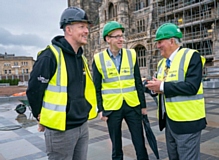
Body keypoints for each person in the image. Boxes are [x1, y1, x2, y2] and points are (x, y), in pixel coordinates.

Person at [26, 7, 97, 160]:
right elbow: (33, 90)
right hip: (60, 130)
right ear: (68, 29)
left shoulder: (81, 58)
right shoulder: (50, 56)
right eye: (82, 26)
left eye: (87, 27)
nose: (87, 31)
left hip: (82, 125)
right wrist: (41, 117)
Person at [146, 23, 207, 160]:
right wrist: (152, 87)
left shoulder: (191, 56)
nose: (157, 46)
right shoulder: (162, 63)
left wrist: (161, 86)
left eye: (160, 42)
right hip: (170, 123)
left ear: (172, 41)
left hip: (188, 122)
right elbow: (163, 88)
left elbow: (191, 87)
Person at [92, 21, 149, 160]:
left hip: (132, 105)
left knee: (139, 142)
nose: (121, 39)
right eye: (117, 36)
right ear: (108, 39)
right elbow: (97, 87)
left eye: (121, 36)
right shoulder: (98, 59)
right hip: (112, 108)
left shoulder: (131, 54)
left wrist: (143, 105)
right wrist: (101, 109)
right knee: (116, 146)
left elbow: (137, 81)